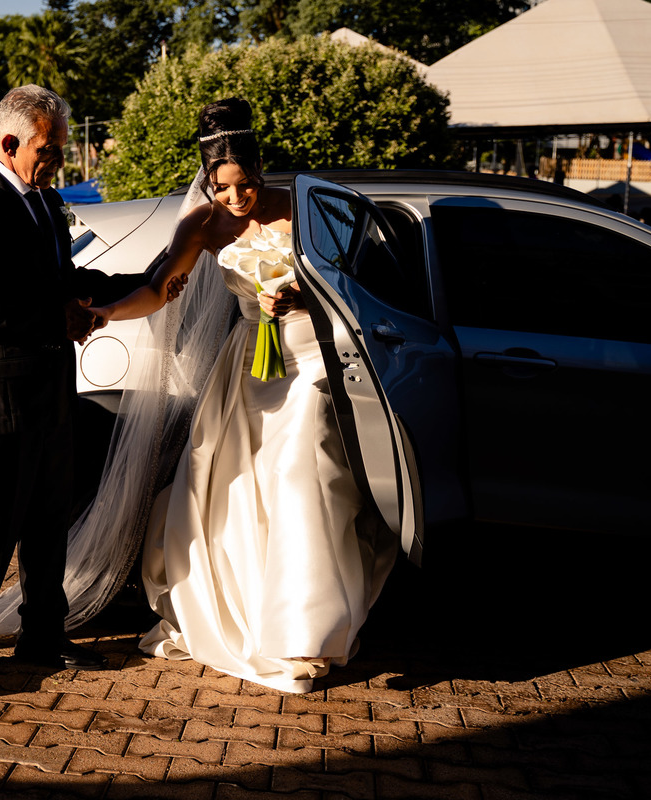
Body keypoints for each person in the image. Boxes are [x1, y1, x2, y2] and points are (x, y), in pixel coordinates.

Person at [88, 98, 397, 694]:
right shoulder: (201, 225)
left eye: (245, 185)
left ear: (260, 170)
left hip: (312, 362)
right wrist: (105, 314)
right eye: (222, 187)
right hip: (248, 368)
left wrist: (304, 298)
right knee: (235, 492)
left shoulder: (302, 209)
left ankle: (305, 632)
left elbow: (352, 284)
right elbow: (157, 289)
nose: (235, 198)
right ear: (208, 180)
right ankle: (256, 618)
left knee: (301, 478)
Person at [0, 84, 151, 696]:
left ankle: (43, 634)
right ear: (10, 142)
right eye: (48, 149)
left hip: (52, 390)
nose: (57, 160)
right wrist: (59, 320)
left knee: (50, 522)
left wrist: (152, 275)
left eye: (59, 149)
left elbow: (68, 279)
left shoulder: (48, 204)